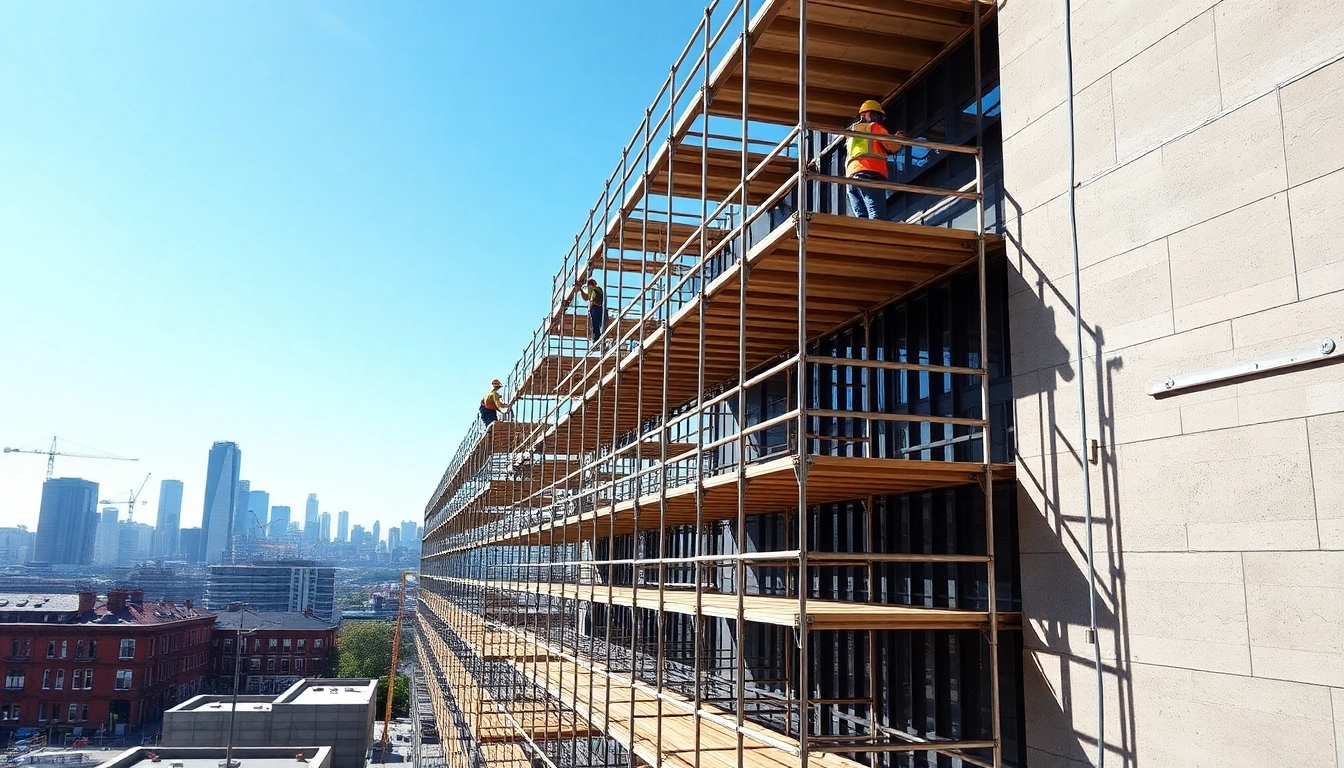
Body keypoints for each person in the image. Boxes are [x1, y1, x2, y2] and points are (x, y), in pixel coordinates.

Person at [843, 99, 905, 220]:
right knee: (876, 215)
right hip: (869, 173)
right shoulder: (874, 127)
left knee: (862, 217)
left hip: (851, 179)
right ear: (866, 114)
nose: (879, 120)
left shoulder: (852, 133)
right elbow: (892, 146)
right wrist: (900, 138)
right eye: (877, 115)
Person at [577, 278, 606, 342]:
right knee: (595, 325)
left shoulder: (597, 289)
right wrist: (581, 290)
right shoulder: (592, 290)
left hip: (597, 308)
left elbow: (593, 300)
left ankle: (598, 337)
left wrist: (590, 306)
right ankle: (597, 337)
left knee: (597, 324)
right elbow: (586, 298)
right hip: (596, 309)